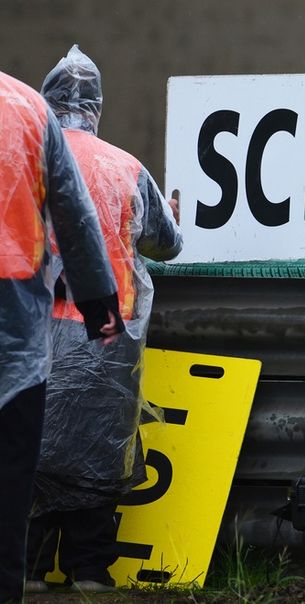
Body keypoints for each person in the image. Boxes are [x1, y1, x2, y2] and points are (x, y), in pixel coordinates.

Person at [23, 45, 183, 594]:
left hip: (33, 341)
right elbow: (166, 243)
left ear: (46, 102)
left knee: (33, 456)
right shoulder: (128, 168)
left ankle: (31, 570)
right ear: (96, 107)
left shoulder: (23, 160)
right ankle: (91, 572)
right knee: (96, 458)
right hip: (106, 341)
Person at [0, 66, 121, 604]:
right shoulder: (27, 108)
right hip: (18, 327)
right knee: (9, 488)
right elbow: (73, 218)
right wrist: (100, 310)